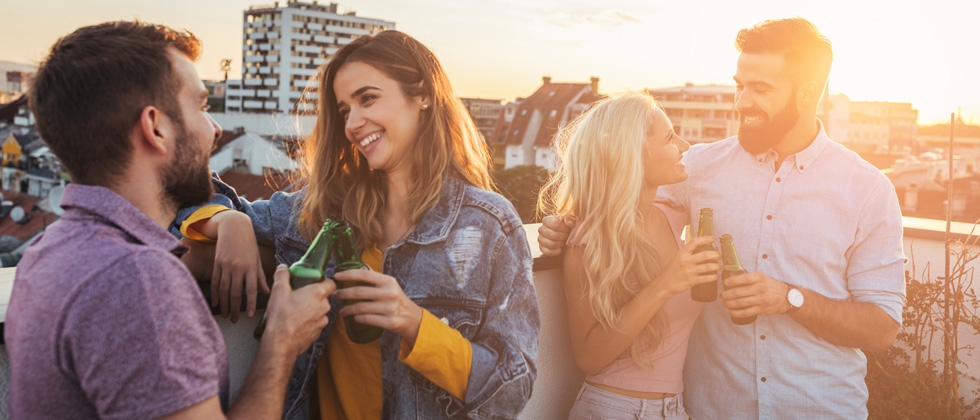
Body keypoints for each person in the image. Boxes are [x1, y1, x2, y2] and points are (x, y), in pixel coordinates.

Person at [537, 17, 905, 418]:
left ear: (808, 92)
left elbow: (883, 327)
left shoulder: (868, 189)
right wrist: (565, 224)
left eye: (760, 89)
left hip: (820, 409)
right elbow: (622, 209)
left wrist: (788, 299)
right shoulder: (698, 166)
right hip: (710, 409)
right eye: (739, 85)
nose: (742, 101)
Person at [178, 30, 539, 419]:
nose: (352, 123)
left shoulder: (490, 226)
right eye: (344, 109)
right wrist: (230, 221)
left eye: (367, 98)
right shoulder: (322, 211)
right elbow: (178, 201)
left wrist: (414, 323)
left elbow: (512, 388)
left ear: (423, 96)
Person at [5, 21, 335, 419]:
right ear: (155, 128)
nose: (215, 130)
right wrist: (281, 345)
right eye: (201, 106)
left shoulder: (48, 250)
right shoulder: (138, 279)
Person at [537, 92, 720, 420]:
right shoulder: (589, 239)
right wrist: (665, 283)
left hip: (675, 409)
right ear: (632, 155)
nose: (684, 146)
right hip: (612, 408)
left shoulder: (672, 216)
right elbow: (589, 358)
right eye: (669, 138)